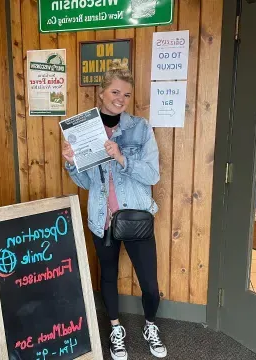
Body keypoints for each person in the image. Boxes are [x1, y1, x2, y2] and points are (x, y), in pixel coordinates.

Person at [62, 60, 167, 359]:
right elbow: (85, 183)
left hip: (136, 218)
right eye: (115, 92)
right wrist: (71, 161)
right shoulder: (84, 130)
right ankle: (115, 329)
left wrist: (122, 158)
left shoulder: (140, 129)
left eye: (126, 95)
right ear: (102, 93)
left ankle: (150, 325)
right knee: (107, 276)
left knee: (149, 283)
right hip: (101, 220)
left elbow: (152, 175)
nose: (120, 99)